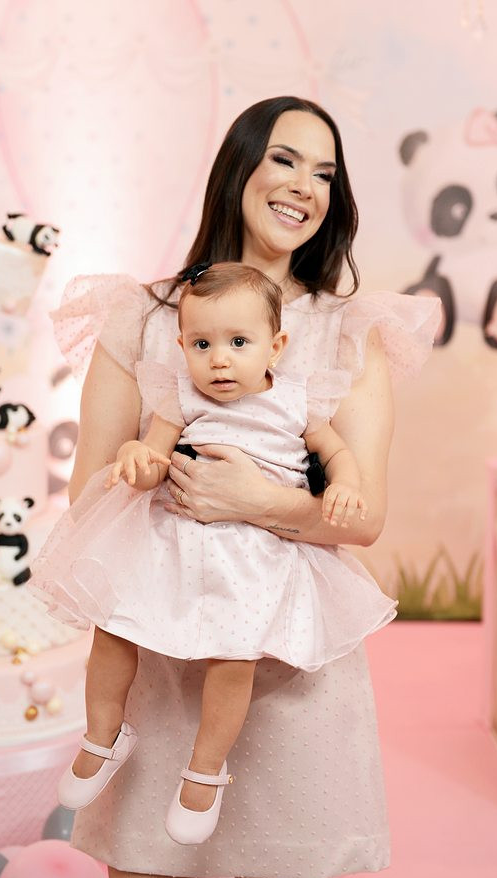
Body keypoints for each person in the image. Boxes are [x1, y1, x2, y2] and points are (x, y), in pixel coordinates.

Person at [45, 96, 441, 878]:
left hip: (285, 669)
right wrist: (156, 478)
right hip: (159, 667)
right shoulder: (144, 317)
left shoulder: (347, 331)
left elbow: (362, 517)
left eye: (324, 173)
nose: (303, 185)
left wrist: (254, 501)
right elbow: (89, 496)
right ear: (238, 168)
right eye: (284, 159)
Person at [30, 261, 398, 846]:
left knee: (234, 659)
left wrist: (345, 484)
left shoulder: (297, 401)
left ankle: (205, 770)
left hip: (252, 555)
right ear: (181, 347)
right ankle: (103, 734)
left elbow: (336, 454)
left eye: (238, 343)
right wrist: (136, 459)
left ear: (275, 347)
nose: (219, 360)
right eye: (202, 344)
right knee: (115, 626)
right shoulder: (179, 397)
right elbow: (153, 456)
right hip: (172, 544)